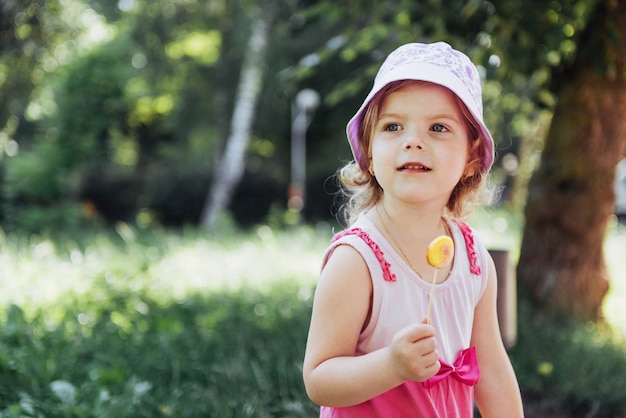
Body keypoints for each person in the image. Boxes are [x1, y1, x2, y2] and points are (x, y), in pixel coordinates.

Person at [302, 42, 524, 417]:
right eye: (393, 126)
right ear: (369, 153)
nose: (413, 140)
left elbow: (493, 371)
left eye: (438, 127)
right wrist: (391, 365)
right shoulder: (357, 261)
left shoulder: (473, 259)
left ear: (471, 159)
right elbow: (319, 378)